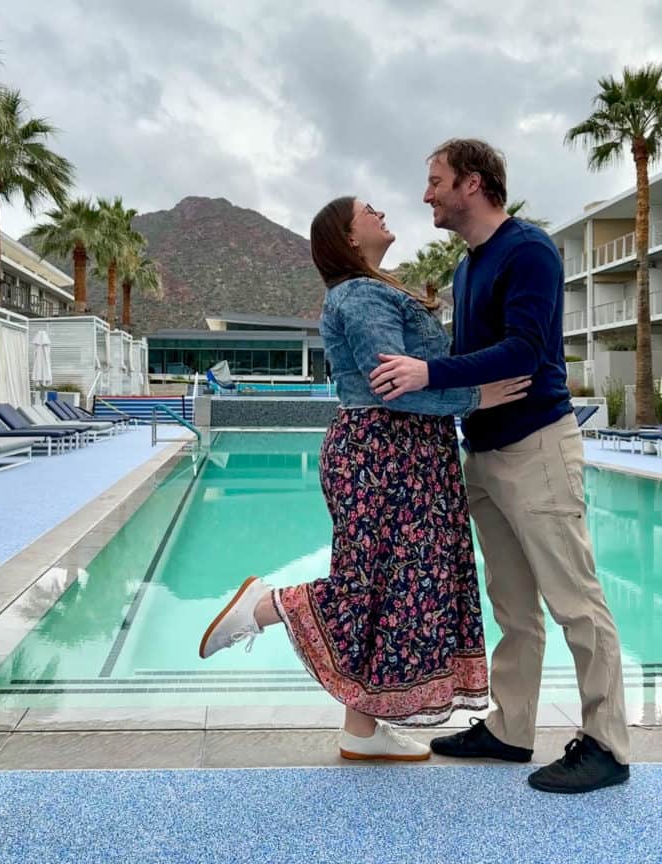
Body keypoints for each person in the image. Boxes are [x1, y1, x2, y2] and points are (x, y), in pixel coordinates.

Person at [198, 195, 530, 762]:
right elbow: (393, 383)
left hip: (406, 453)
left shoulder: (380, 289)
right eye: (367, 210)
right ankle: (262, 607)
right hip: (383, 453)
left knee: (389, 591)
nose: (381, 212)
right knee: (369, 588)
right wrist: (477, 395)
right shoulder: (362, 295)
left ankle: (362, 727)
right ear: (349, 238)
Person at [370, 138, 630, 793]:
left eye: (436, 181)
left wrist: (429, 370)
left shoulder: (528, 250)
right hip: (482, 454)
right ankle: (513, 729)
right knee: (513, 605)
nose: (426, 193)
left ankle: (608, 744)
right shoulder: (466, 267)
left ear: (475, 183)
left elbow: (524, 350)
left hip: (535, 447)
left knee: (576, 602)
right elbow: (472, 359)